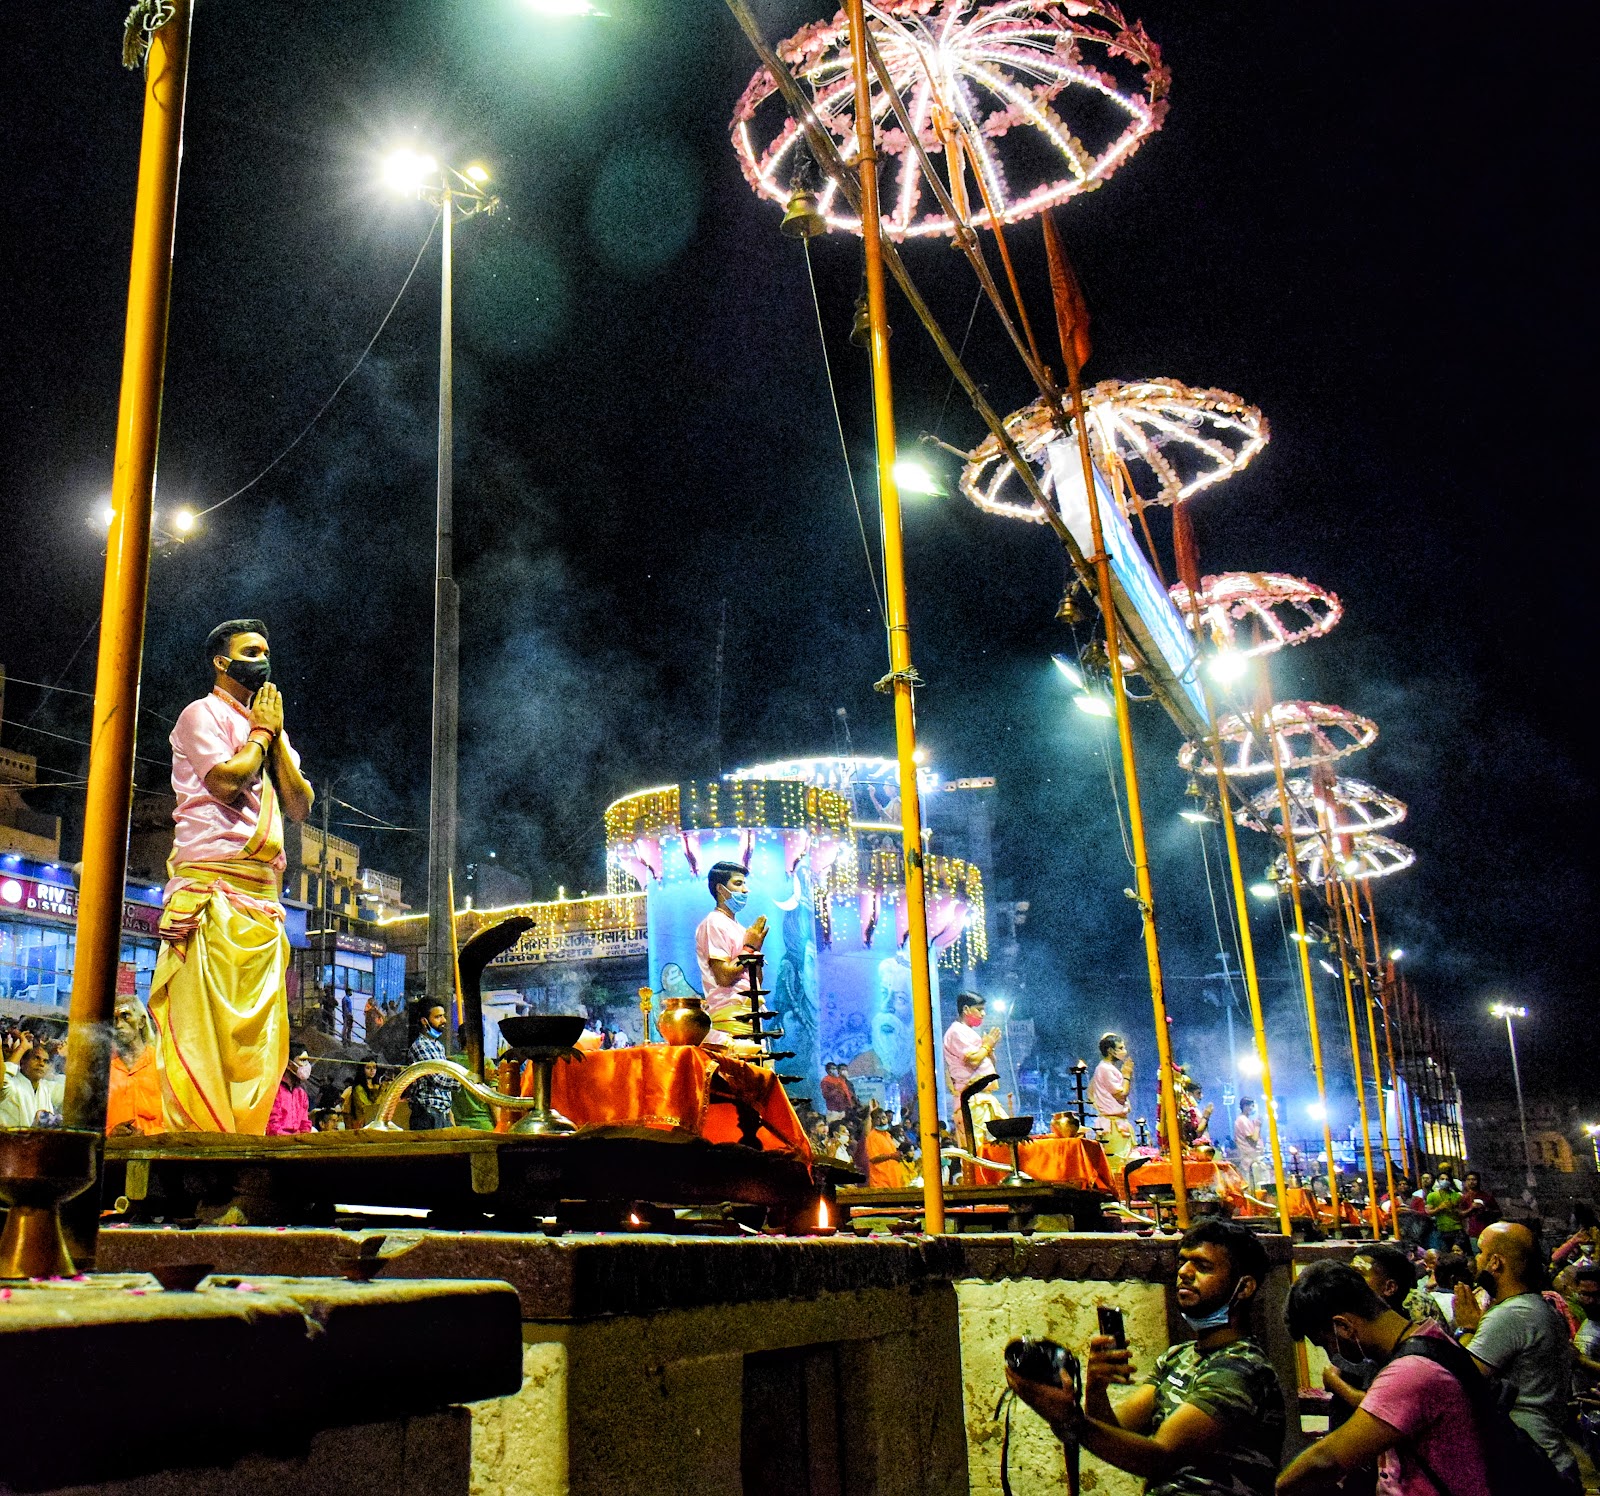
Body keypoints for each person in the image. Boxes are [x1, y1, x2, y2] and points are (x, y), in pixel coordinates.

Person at [148, 619, 314, 1133]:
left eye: (266, 650)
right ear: (222, 662)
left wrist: (274, 737)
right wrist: (262, 734)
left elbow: (300, 804)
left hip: (263, 906)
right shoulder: (200, 714)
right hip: (210, 896)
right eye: (251, 650)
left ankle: (244, 1142)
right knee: (206, 1038)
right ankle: (201, 1149)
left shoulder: (273, 737)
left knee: (256, 1044)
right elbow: (224, 781)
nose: (263, 659)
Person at [1009, 1219, 1285, 1495]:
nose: (1184, 1272)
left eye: (1202, 1266)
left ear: (1244, 1287)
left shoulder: (1243, 1369)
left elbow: (1159, 1457)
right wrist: (1095, 1387)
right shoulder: (1177, 1357)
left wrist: (1070, 1422)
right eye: (1183, 1261)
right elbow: (1115, 1431)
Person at [1278, 1260, 1493, 1495]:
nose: (1332, 1355)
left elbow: (1327, 1458)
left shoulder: (1410, 1372)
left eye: (1326, 1344)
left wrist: (1281, 1488)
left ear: (1344, 1326)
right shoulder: (1432, 1337)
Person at [1452, 1221, 1581, 1485]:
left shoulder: (1511, 1314)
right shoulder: (1538, 1308)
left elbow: (1461, 1381)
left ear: (1495, 1263)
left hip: (1533, 1465)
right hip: (1547, 1457)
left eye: (1480, 1252)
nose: (1475, 1260)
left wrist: (1466, 1328)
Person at [693, 862, 767, 1046]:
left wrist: (755, 948)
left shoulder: (742, 929)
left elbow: (756, 980)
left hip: (752, 1015)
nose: (745, 890)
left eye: (745, 884)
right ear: (720, 888)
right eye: (738, 883)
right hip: (730, 1017)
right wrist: (749, 947)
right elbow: (724, 977)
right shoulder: (713, 922)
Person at [941, 991, 1005, 1152]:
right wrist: (987, 1045)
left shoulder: (968, 1031)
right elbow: (973, 1060)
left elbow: (986, 1062)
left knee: (1001, 1143)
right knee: (977, 1150)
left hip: (985, 1097)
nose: (983, 1013)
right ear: (966, 1009)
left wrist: (989, 1049)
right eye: (979, 1009)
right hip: (972, 1099)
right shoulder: (956, 1031)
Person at [106, 997, 163, 1135]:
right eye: (114, 1019)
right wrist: (110, 1133)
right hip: (111, 1152)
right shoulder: (104, 1069)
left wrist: (146, 1134)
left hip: (154, 1151)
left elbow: (175, 1121)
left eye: (125, 1016)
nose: (119, 1024)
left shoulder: (161, 1064)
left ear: (142, 1022)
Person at [406, 1002, 457, 1130]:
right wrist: (469, 1080)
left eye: (443, 1016)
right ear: (424, 1021)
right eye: (438, 1017)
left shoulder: (438, 1047)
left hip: (441, 1115)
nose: (444, 1020)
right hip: (426, 1115)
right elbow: (438, 1080)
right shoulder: (420, 1046)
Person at [1088, 1031, 1134, 1167]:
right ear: (1110, 1050)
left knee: (1122, 1164)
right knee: (1118, 1165)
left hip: (1118, 1124)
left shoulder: (1108, 1068)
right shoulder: (1105, 1069)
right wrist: (1127, 1075)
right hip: (1113, 1126)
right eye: (1120, 1048)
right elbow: (1121, 1095)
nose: (1124, 1052)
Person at [0, 1030, 64, 1126]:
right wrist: (22, 1048)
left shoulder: (45, 1088)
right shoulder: (12, 1085)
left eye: (45, 1061)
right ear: (22, 1062)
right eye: (36, 1058)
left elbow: (72, 1094)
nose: (41, 1064)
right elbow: (3, 1079)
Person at [266, 1049, 314, 1135]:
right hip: (277, 1143)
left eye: (307, 1061)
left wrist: (304, 1136)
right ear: (289, 1064)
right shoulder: (275, 1090)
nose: (306, 1065)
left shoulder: (301, 1094)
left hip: (298, 1142)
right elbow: (272, 1126)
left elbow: (305, 1123)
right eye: (302, 1060)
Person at [1458, 1171, 1500, 1253]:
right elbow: (1460, 1214)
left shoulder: (1486, 1196)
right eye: (1469, 1180)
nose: (1471, 1182)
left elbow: (1498, 1212)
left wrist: (1485, 1209)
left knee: (1488, 1253)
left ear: (1478, 1181)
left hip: (1487, 1230)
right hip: (1473, 1232)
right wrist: (1471, 1208)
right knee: (1477, 1255)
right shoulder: (1464, 1198)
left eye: (1474, 1179)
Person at [1426, 1171, 1466, 1253]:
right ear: (1438, 1181)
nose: (1445, 1181)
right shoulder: (1432, 1196)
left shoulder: (1457, 1195)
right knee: (1445, 1254)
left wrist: (1453, 1208)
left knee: (1458, 1252)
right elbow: (1428, 1212)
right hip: (1442, 1230)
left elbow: (1462, 1213)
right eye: (1442, 1179)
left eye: (1447, 1179)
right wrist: (1440, 1208)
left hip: (1457, 1229)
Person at [342, 1060, 386, 1129]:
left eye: (374, 1068)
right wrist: (382, 1093)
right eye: (368, 1068)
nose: (372, 1070)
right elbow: (367, 1106)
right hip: (363, 1123)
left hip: (377, 1122)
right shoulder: (358, 1088)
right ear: (362, 1070)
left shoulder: (378, 1086)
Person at [1233, 1097, 1264, 1184]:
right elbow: (1253, 1139)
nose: (1253, 1108)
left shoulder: (1246, 1120)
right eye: (1252, 1106)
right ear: (1245, 1106)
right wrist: (1257, 1126)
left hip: (1253, 1159)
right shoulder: (1242, 1121)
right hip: (1250, 1160)